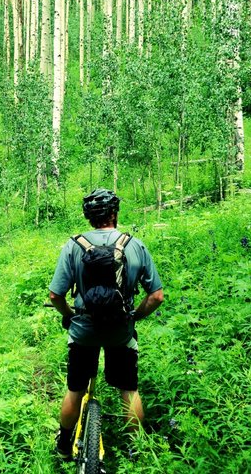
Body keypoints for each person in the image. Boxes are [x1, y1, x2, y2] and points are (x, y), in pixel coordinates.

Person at [49, 188, 164, 459]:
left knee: (75, 390)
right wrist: (135, 315)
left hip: (83, 331)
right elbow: (156, 296)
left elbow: (55, 295)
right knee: (129, 390)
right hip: (120, 331)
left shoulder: (73, 246)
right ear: (115, 213)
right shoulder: (133, 245)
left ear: (89, 217)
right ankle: (135, 449)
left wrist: (69, 314)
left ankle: (64, 445)